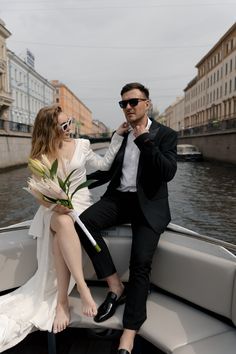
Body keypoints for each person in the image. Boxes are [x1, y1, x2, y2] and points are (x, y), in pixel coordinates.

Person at [0, 105, 128, 352]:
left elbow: (103, 165)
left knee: (64, 229)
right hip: (53, 210)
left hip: (80, 205)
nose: (70, 128)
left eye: (70, 122)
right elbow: (39, 196)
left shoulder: (82, 144)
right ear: (50, 130)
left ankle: (61, 303)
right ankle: (82, 288)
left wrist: (118, 137)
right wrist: (55, 203)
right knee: (62, 221)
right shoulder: (40, 157)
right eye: (64, 125)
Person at [75, 82, 178, 354]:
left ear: (147, 103)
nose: (128, 108)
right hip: (119, 199)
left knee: (140, 262)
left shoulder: (165, 134)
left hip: (149, 205)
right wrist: (72, 184)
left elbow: (167, 172)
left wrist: (144, 139)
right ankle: (114, 285)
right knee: (83, 223)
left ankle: (129, 334)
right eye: (123, 104)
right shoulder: (120, 134)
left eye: (133, 102)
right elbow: (107, 169)